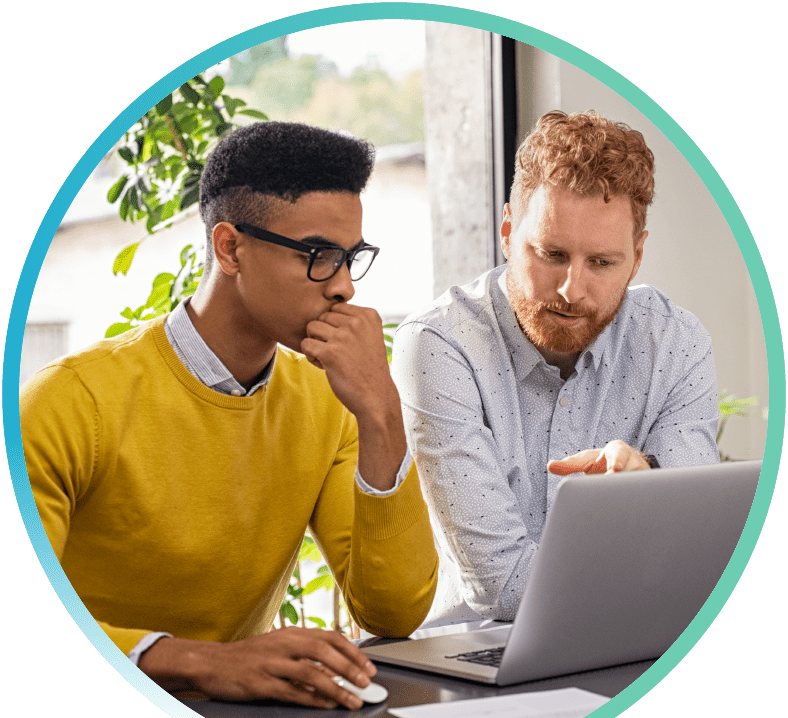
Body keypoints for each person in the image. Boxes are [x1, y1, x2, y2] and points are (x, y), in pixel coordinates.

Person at [21, 121, 438, 710]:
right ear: (230, 248)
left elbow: (393, 611)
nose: (344, 286)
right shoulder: (70, 400)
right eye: (319, 256)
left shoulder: (328, 400)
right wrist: (201, 662)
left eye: (352, 257)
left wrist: (382, 416)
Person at [392, 110, 719, 627]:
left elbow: (698, 551)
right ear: (506, 233)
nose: (572, 289)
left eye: (602, 263)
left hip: (624, 648)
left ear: (636, 258)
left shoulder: (676, 344)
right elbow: (503, 587)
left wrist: (649, 479)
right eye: (551, 254)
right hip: (464, 662)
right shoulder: (439, 345)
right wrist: (648, 541)